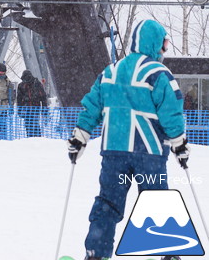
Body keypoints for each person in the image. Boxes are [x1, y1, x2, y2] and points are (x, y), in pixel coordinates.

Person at [67, 20, 187, 260]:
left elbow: (93, 105)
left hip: (115, 150)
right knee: (156, 202)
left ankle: (96, 253)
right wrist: (179, 143)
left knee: (108, 204)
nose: (164, 50)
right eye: (164, 44)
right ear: (154, 43)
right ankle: (168, 255)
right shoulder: (158, 74)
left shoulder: (109, 72)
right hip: (149, 151)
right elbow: (171, 110)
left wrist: (81, 135)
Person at [16, 69, 47, 138]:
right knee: (28, 125)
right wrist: (20, 110)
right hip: (26, 108)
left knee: (35, 124)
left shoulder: (37, 84)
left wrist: (44, 108)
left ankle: (38, 139)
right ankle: (30, 139)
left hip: (35, 107)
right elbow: (19, 99)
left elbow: (43, 97)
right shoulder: (21, 85)